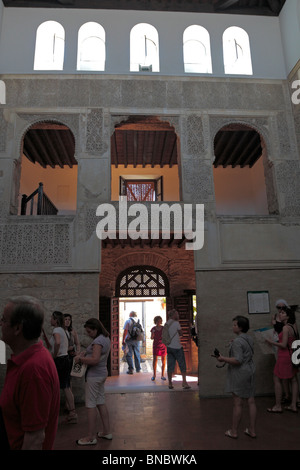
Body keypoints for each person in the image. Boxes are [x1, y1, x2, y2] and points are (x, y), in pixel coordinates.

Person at [0, 295, 60, 450]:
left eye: (4, 320)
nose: (1, 323)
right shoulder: (29, 359)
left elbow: (34, 439)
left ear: (18, 328)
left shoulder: (33, 371)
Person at [215, 315, 256, 439]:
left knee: (237, 402)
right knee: (251, 400)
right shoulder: (248, 338)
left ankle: (233, 431)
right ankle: (252, 430)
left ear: (240, 327)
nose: (233, 327)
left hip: (240, 373)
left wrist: (222, 359)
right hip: (250, 370)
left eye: (235, 325)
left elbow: (237, 360)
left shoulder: (238, 341)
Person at [74, 318, 111, 446]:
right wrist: (86, 353)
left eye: (90, 332)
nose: (89, 334)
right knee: (100, 402)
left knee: (90, 405)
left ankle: (90, 437)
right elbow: (98, 356)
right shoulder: (105, 338)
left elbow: (95, 360)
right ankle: (106, 432)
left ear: (96, 329)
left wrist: (81, 359)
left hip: (94, 376)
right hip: (102, 374)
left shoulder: (98, 341)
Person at [265, 301, 299, 413]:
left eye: (283, 312)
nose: (280, 313)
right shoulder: (293, 326)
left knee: (276, 378)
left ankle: (278, 406)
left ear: (288, 316)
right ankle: (293, 405)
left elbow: (283, 345)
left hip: (284, 356)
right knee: (293, 379)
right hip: (292, 354)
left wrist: (271, 342)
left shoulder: (285, 328)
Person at [49, 311, 77, 424]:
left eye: (51, 318)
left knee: (56, 385)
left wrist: (54, 355)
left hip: (59, 360)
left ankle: (54, 411)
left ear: (55, 320)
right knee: (66, 387)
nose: (50, 320)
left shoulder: (56, 330)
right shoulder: (63, 330)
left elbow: (57, 342)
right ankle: (72, 412)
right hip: (65, 359)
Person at [166, 309, 190, 390]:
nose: (178, 315)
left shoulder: (166, 323)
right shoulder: (176, 323)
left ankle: (170, 383)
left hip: (169, 347)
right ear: (173, 315)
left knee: (170, 365)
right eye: (177, 314)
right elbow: (181, 333)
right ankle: (184, 382)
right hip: (177, 347)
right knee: (182, 364)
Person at [150, 316, 167, 381]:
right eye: (157, 321)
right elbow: (151, 337)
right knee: (155, 360)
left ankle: (162, 375)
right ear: (155, 321)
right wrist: (153, 333)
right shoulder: (153, 329)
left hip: (163, 345)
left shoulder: (164, 328)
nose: (158, 322)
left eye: (159, 321)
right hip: (156, 345)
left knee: (163, 360)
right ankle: (154, 375)